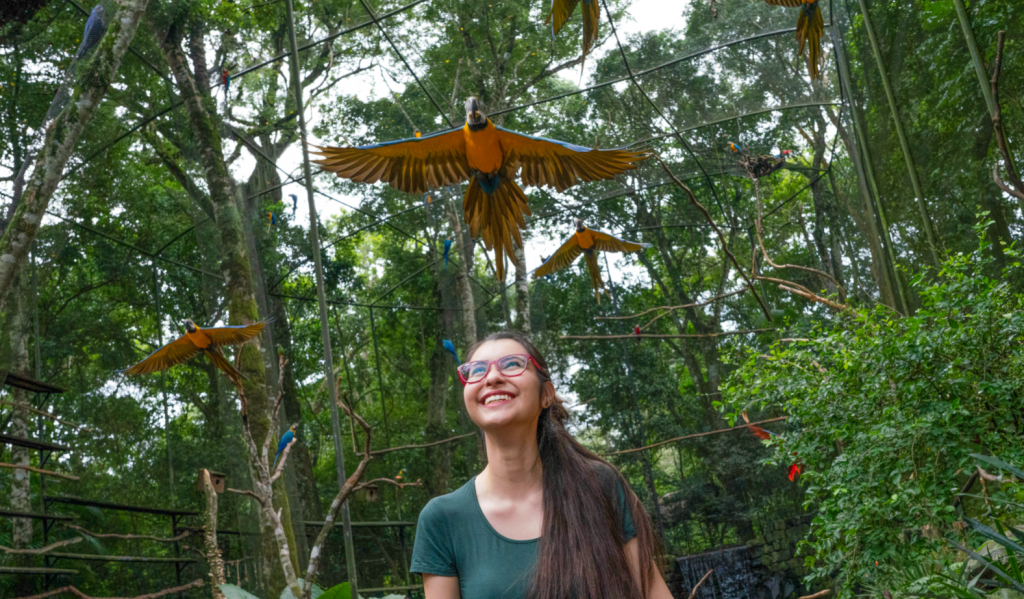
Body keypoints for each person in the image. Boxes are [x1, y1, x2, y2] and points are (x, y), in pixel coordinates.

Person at [411, 331, 674, 599]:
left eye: (512, 364)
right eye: (476, 370)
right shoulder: (441, 519)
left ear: (546, 394)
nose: (492, 377)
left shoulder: (599, 485)